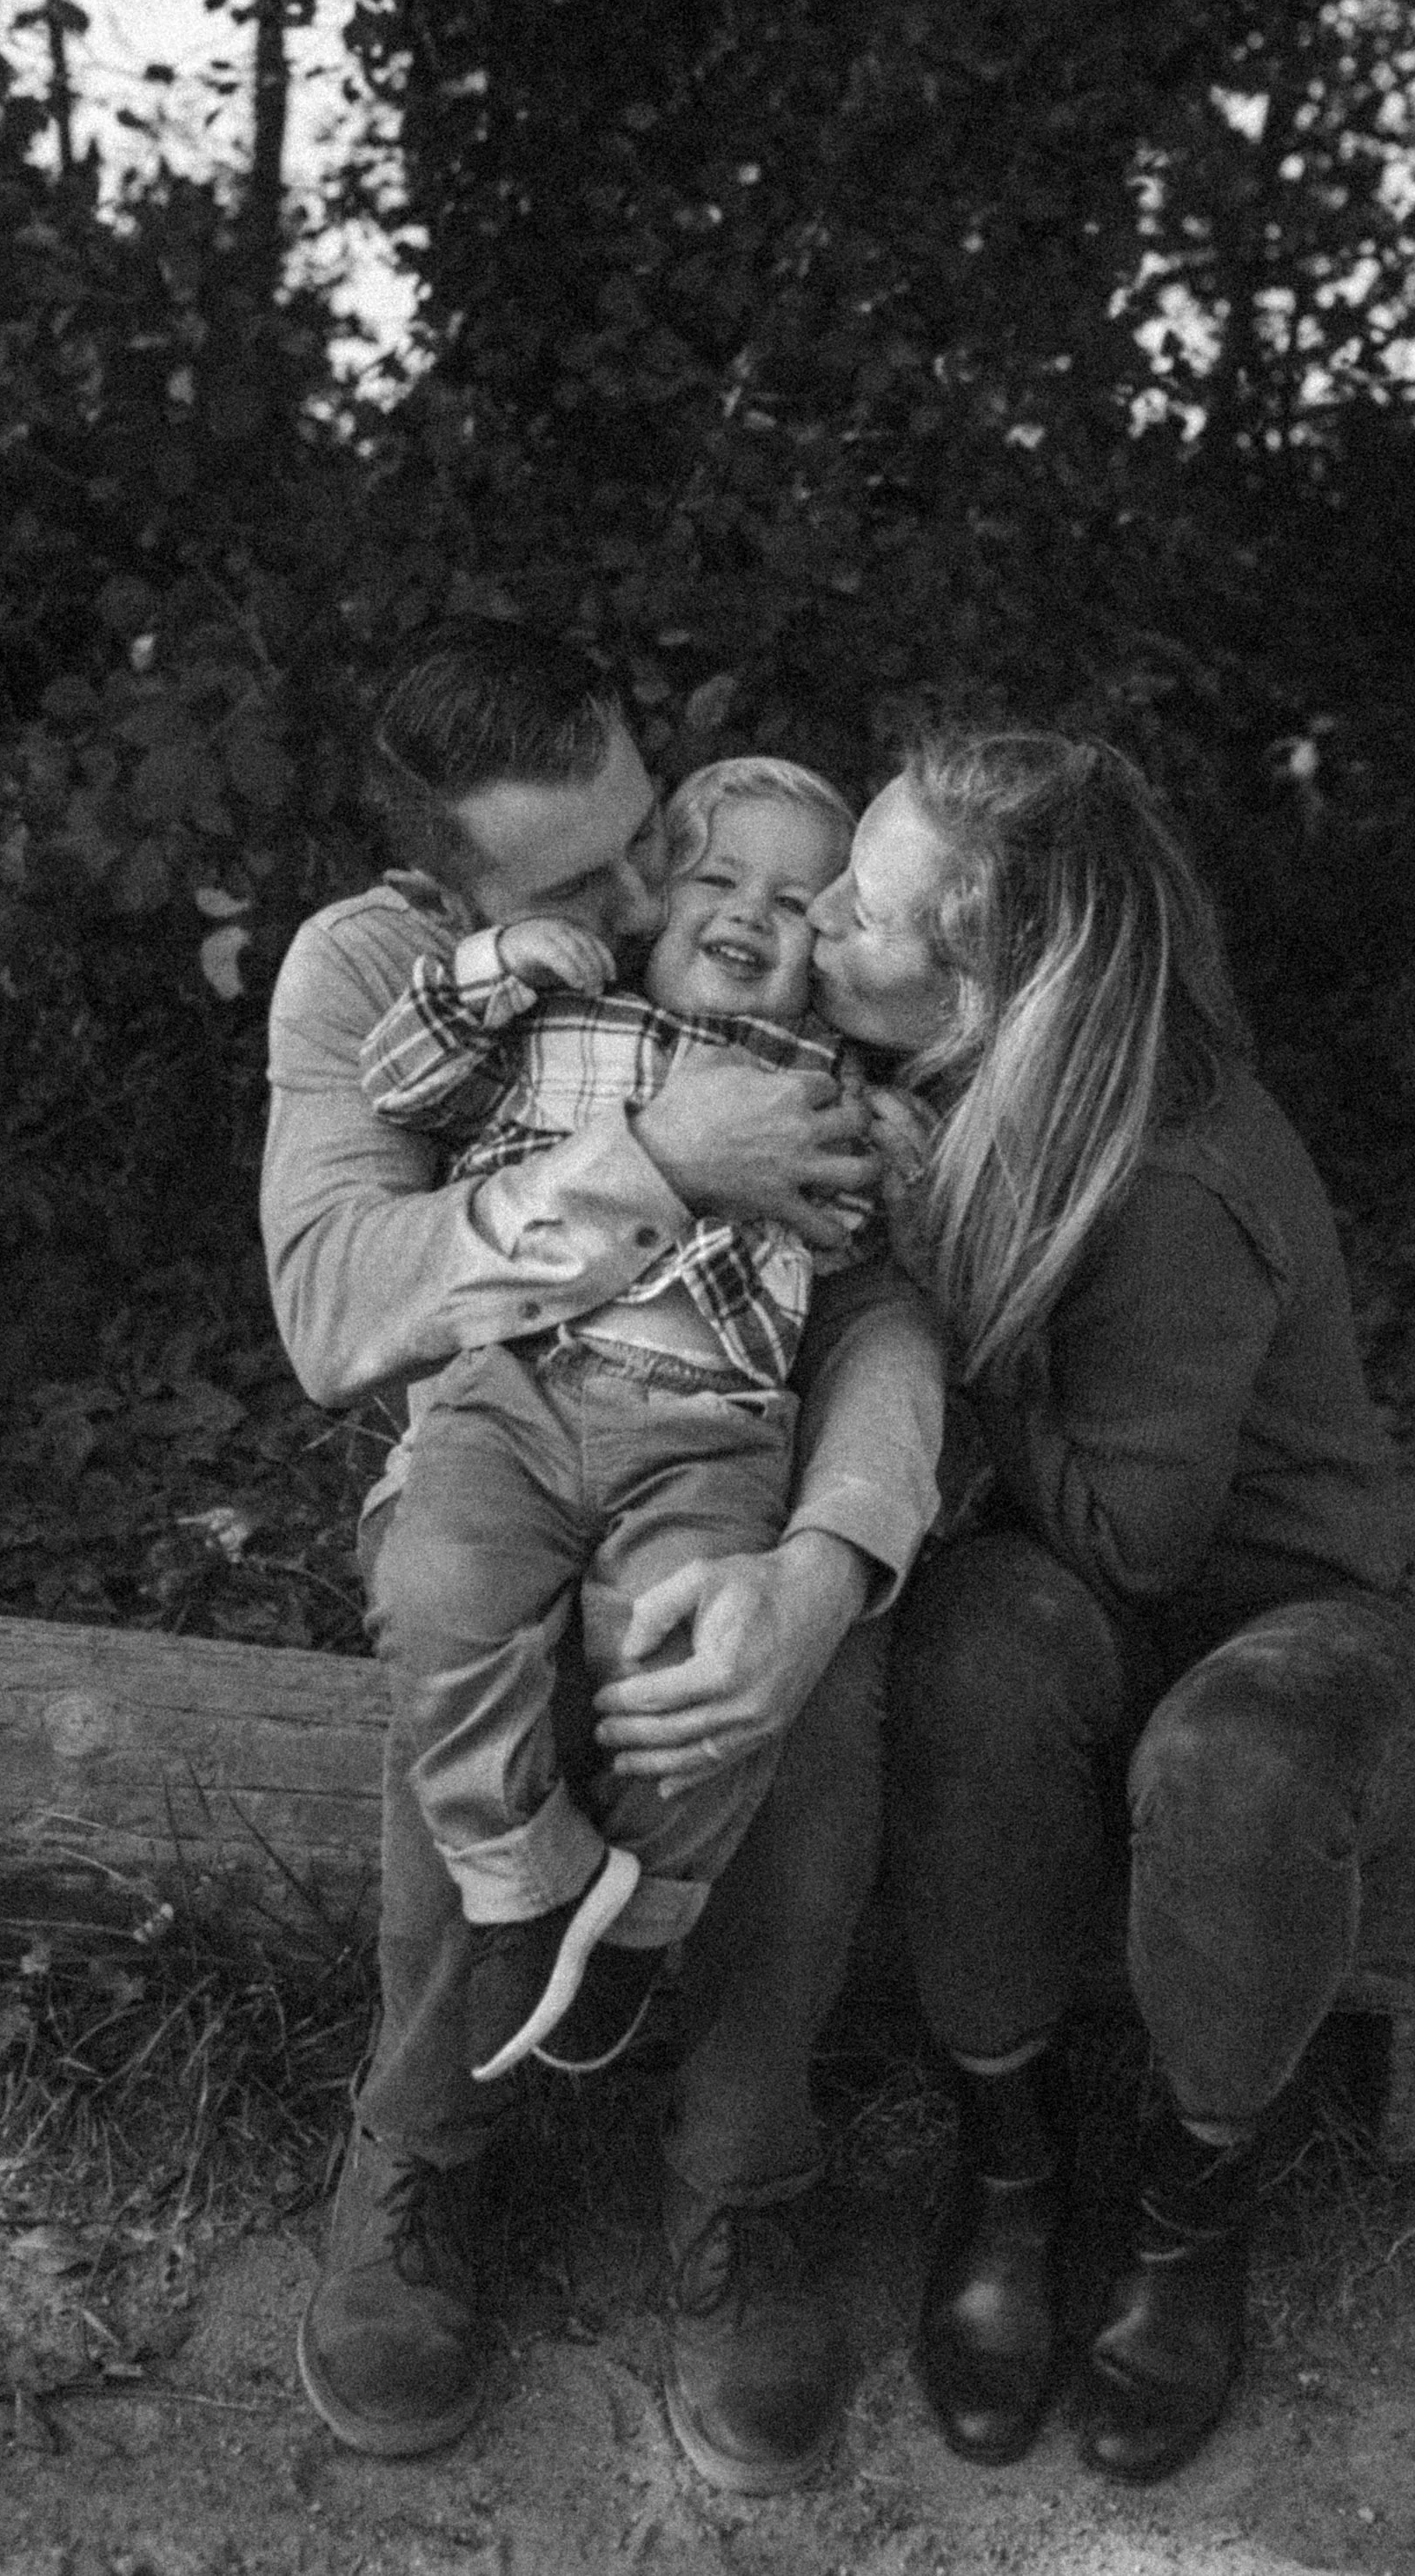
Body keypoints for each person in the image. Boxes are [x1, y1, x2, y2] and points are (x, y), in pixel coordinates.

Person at [261, 629, 942, 2492]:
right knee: (459, 1630)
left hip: (728, 1445)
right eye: (594, 880)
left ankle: (739, 2176)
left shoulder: (765, 971)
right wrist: (656, 1157)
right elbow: (336, 1309)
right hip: (492, 1446)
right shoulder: (379, 972)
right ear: (453, 887)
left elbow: (879, 1306)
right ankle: (420, 2156)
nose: (659, 892)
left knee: (785, 1673)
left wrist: (830, 1554)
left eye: (656, 829)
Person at [803, 728, 1415, 2487]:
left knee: (1230, 1769)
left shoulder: (1166, 1176)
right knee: (970, 1654)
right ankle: (1008, 2170)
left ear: (989, 974)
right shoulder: (961, 1071)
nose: (816, 929)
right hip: (1074, 1593)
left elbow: (1129, 1543)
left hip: (1283, 1613)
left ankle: (1187, 2217)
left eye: (861, 912)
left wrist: (941, 1259)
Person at [353, 757, 890, 2089]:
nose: (749, 913)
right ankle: (524, 1879)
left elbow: (881, 1244)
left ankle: (647, 1915)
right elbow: (400, 1084)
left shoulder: (834, 1084)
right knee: (436, 1593)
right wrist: (495, 966)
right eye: (716, 877)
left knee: (690, 1659)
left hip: (710, 1433)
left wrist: (896, 1154)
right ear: (656, 904)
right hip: (515, 1397)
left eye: (794, 902)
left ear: (824, 953)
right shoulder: (559, 1013)